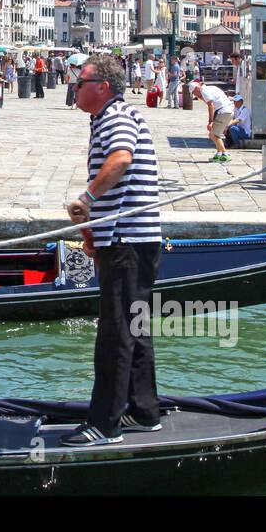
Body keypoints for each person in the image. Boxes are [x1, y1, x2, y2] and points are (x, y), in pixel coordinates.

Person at [65, 54, 163, 445]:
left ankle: (105, 424)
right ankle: (143, 411)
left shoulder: (116, 116)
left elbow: (122, 160)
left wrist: (87, 199)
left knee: (115, 331)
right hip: (127, 238)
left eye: (81, 81)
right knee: (136, 326)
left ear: (101, 86)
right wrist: (93, 234)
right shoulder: (109, 117)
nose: (75, 86)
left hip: (127, 240)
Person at [193, 82, 234, 162]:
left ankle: (225, 154)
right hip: (227, 110)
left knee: (214, 135)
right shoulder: (210, 88)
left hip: (223, 111)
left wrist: (210, 122)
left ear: (196, 89)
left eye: (194, 93)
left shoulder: (204, 91)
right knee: (214, 134)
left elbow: (211, 105)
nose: (196, 95)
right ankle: (219, 154)